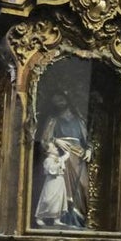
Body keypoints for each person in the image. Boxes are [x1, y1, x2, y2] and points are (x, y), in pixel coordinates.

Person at [37, 90, 92, 229]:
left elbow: (87, 140)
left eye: (61, 100)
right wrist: (56, 140)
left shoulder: (79, 120)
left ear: (67, 100)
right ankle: (63, 221)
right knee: (63, 188)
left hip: (78, 157)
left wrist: (89, 150)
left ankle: (80, 221)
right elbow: (44, 141)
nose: (59, 103)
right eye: (56, 102)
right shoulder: (53, 120)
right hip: (62, 157)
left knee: (83, 187)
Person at [34, 142, 70, 226]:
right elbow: (50, 170)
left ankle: (57, 219)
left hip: (60, 181)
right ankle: (39, 217)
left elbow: (65, 156)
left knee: (59, 200)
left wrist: (66, 153)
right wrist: (59, 163)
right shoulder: (48, 160)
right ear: (48, 151)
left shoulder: (58, 159)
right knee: (47, 200)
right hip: (51, 182)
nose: (56, 148)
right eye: (54, 147)